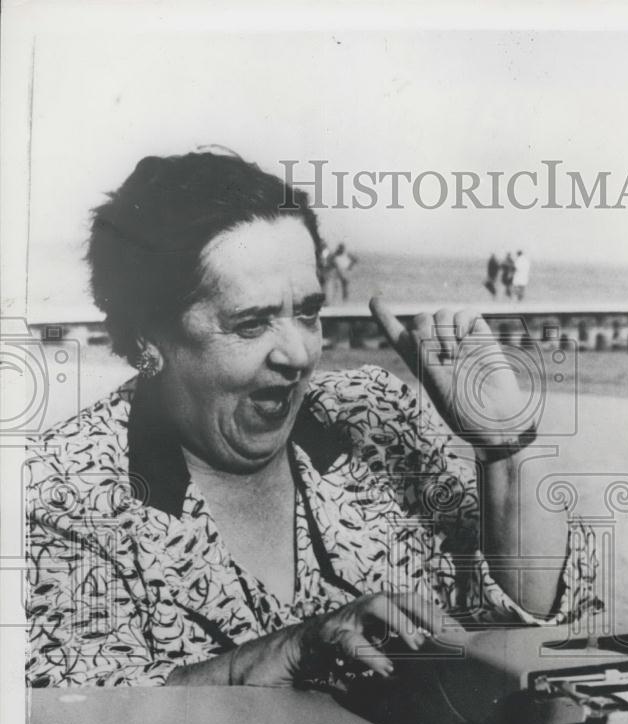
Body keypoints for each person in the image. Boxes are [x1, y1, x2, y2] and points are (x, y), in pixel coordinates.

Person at [26, 150, 598, 688]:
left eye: (307, 313)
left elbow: (534, 633)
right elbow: (76, 720)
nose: (298, 355)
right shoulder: (63, 491)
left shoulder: (374, 416)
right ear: (149, 340)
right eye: (251, 323)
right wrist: (291, 650)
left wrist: (505, 450)